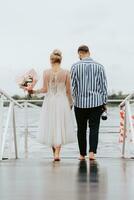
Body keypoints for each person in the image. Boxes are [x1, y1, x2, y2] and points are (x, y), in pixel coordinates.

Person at [25, 49, 75, 161]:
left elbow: (44, 89)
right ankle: (57, 153)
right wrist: (70, 103)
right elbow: (68, 91)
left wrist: (33, 91)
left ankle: (55, 154)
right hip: (61, 101)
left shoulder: (46, 72)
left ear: (51, 60)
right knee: (59, 126)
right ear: (60, 60)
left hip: (50, 102)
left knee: (51, 126)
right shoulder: (66, 72)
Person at [71, 45, 108, 160]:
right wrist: (104, 102)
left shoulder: (75, 66)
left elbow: (73, 86)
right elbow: (103, 86)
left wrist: (72, 100)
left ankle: (82, 154)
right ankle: (92, 153)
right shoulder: (100, 66)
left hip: (80, 103)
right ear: (89, 52)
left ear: (80, 53)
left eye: (79, 54)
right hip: (96, 103)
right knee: (94, 128)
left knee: (81, 129)